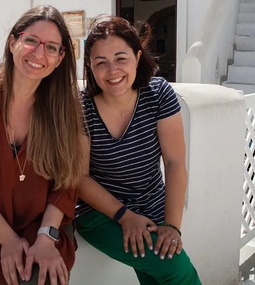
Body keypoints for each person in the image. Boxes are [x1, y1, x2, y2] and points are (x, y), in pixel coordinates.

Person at [0, 5, 88, 285]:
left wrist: (47, 237)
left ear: (60, 59)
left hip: (42, 225)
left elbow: (67, 183)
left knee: (46, 277)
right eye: (31, 40)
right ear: (13, 42)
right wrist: (8, 239)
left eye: (51, 47)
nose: (38, 53)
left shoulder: (63, 109)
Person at [75, 15, 202, 285]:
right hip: (100, 215)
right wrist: (124, 216)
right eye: (101, 62)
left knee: (155, 278)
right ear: (90, 67)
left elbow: (174, 162)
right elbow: (79, 177)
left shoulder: (158, 93)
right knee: (176, 269)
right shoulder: (81, 107)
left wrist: (171, 226)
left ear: (137, 56)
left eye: (121, 58)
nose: (112, 71)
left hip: (151, 207)